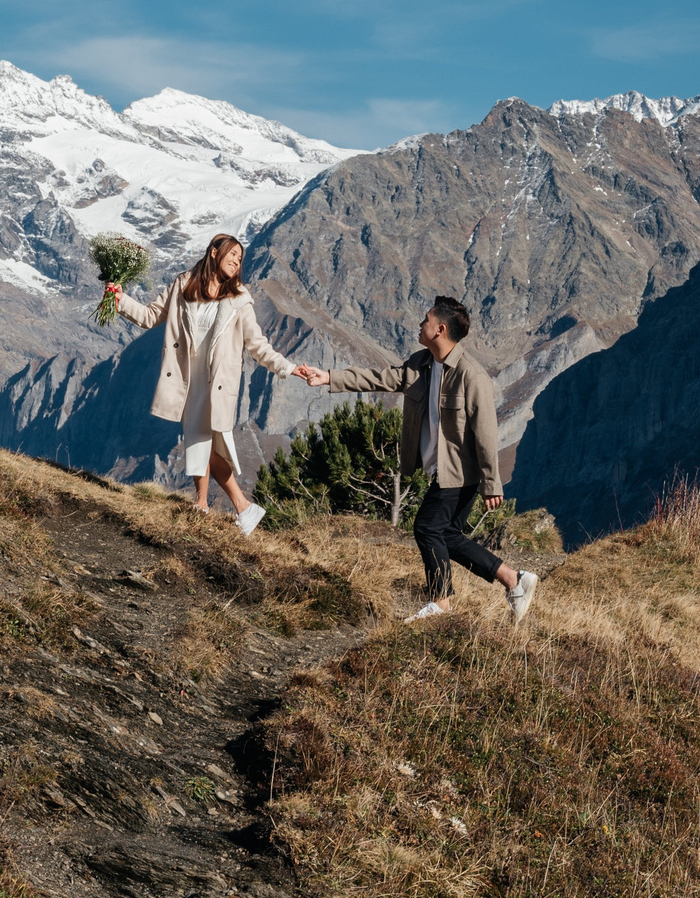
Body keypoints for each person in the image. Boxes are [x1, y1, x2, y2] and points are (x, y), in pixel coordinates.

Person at [294, 296, 539, 623]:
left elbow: (486, 432)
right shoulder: (420, 364)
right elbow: (379, 378)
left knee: (426, 527)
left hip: (460, 474)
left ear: (440, 329)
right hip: (440, 472)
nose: (419, 325)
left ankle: (440, 603)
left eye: (425, 320)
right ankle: (514, 579)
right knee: (446, 536)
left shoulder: (470, 375)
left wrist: (491, 483)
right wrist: (328, 377)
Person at [104, 232, 299, 537]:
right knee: (203, 445)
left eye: (240, 258)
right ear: (213, 253)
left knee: (200, 441)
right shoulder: (183, 285)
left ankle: (213, 505)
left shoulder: (239, 299)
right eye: (232, 254)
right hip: (187, 381)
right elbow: (150, 316)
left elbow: (257, 346)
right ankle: (233, 506)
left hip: (216, 384)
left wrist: (288, 367)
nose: (237, 261)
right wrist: (119, 300)